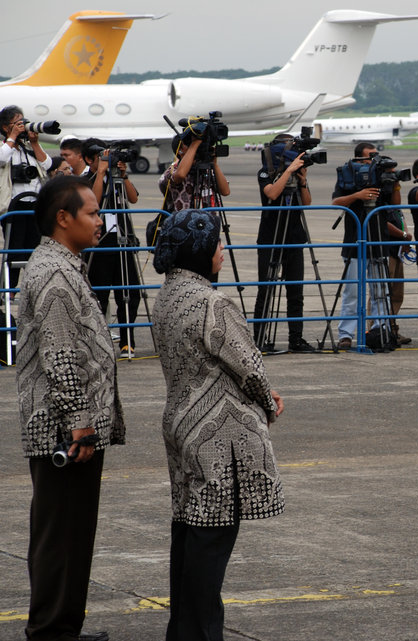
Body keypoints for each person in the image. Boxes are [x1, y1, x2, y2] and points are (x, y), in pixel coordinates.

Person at [151, 209, 284, 641]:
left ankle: (183, 629)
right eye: (218, 245)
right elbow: (249, 365)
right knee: (211, 541)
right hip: (218, 433)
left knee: (188, 534)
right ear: (200, 251)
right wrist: (269, 400)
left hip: (182, 421)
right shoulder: (212, 302)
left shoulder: (168, 295)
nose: (223, 252)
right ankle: (202, 634)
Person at [16, 175, 125, 641]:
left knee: (68, 534)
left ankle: (60, 627)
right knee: (62, 537)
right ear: (63, 219)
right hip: (64, 431)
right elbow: (61, 355)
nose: (100, 221)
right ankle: (52, 631)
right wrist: (80, 426)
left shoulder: (61, 265)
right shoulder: (56, 275)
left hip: (66, 427)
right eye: (92, 213)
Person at [332, 143, 409, 350]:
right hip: (354, 243)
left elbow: (394, 206)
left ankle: (380, 331)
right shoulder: (349, 174)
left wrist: (393, 181)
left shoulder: (380, 175)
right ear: (359, 158)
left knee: (380, 291)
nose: (374, 159)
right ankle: (346, 334)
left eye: (376, 156)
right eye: (370, 156)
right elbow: (336, 202)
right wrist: (357, 196)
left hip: (378, 240)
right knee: (351, 292)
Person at [255, 135, 316, 353]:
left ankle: (296, 339)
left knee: (295, 291)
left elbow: (306, 203)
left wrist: (301, 180)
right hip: (270, 237)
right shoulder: (266, 171)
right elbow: (271, 193)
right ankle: (259, 339)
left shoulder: (296, 174)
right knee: (266, 289)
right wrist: (288, 172)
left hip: (294, 236)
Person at [83, 140, 142, 354]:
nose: (107, 162)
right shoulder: (85, 180)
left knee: (130, 292)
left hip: (123, 239)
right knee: (100, 294)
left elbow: (133, 198)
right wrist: (100, 174)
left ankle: (128, 340)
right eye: (102, 158)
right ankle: (100, 340)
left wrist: (123, 175)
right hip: (100, 243)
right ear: (90, 160)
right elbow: (94, 203)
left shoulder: (116, 178)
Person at [0, 106, 53, 287]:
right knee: (15, 252)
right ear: (5, 127)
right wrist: (13, 137)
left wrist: (34, 143)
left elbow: (47, 164)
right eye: (17, 123)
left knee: (34, 251)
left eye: (22, 122)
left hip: (34, 205)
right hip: (14, 207)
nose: (22, 126)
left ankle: (34, 286)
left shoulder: (29, 149)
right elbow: (0, 159)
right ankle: (9, 291)